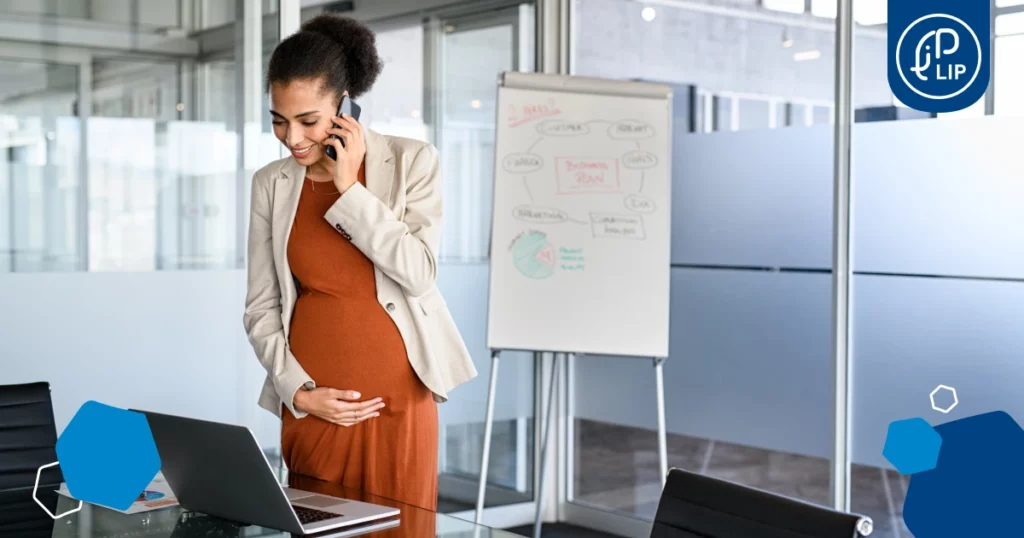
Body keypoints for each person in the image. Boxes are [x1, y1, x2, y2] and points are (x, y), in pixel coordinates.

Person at [242, 13, 477, 511]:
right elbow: (261, 306)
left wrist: (350, 189)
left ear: (345, 106)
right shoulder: (271, 183)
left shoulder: (412, 161)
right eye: (279, 120)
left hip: (400, 404)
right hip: (314, 406)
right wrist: (297, 392)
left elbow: (418, 274)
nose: (292, 137)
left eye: (308, 121)